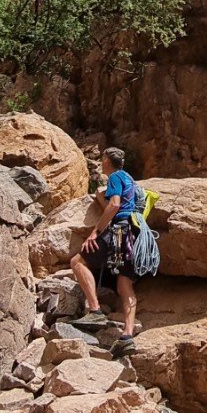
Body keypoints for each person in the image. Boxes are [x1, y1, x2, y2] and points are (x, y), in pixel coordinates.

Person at [70, 146, 140, 350]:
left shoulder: (115, 177)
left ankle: (95, 310)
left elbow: (115, 205)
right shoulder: (129, 179)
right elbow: (122, 204)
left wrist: (95, 232)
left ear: (107, 161)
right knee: (124, 284)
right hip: (132, 235)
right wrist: (103, 200)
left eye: (102, 159)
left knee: (77, 262)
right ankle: (127, 336)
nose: (101, 163)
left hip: (118, 231)